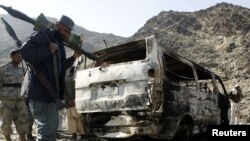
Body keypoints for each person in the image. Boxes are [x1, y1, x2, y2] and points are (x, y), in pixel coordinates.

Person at [19, 15, 81, 140]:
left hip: (51, 94)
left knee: (50, 130)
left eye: (68, 32)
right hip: (40, 92)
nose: (66, 35)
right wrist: (47, 51)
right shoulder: (43, 35)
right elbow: (24, 52)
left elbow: (61, 66)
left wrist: (74, 57)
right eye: (66, 31)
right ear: (58, 25)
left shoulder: (59, 43)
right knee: (47, 131)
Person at [0, 49, 29, 141]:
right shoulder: (2, 68)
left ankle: (22, 138)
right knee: (6, 119)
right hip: (7, 98)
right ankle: (7, 138)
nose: (20, 59)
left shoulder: (22, 70)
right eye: (17, 57)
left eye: (20, 57)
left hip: (20, 98)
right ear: (11, 57)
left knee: (23, 118)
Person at [64, 66, 85, 139]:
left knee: (70, 119)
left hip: (69, 103)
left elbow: (64, 92)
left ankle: (74, 134)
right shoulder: (78, 79)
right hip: (77, 101)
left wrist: (67, 102)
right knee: (79, 118)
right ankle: (82, 133)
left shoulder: (66, 80)